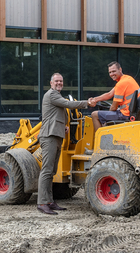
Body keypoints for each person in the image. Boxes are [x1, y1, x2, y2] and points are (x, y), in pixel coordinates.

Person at [37, 73, 94, 215]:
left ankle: (49, 201)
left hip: (56, 135)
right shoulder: (52, 95)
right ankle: (42, 203)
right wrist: (87, 103)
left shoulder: (56, 97)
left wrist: (63, 127)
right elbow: (69, 104)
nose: (59, 83)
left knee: (52, 171)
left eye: (61, 81)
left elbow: (55, 115)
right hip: (49, 136)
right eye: (56, 81)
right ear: (51, 83)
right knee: (47, 171)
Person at [89, 61, 140, 134]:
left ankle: (100, 140)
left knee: (94, 114)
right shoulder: (127, 78)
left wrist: (106, 119)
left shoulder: (121, 84)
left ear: (120, 70)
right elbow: (110, 94)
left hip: (125, 114)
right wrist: (95, 99)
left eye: (114, 71)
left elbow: (113, 108)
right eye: (110, 72)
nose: (111, 74)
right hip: (131, 112)